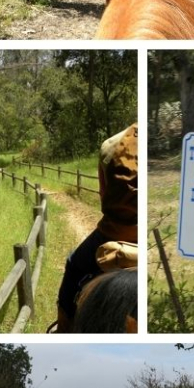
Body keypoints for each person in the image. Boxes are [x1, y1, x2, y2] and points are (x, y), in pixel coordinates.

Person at [53, 123, 138, 333]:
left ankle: (64, 329)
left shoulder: (114, 143)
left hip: (116, 229)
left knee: (74, 263)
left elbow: (104, 193)